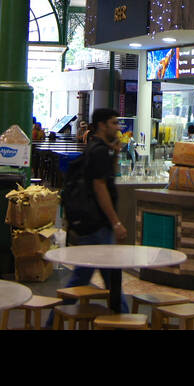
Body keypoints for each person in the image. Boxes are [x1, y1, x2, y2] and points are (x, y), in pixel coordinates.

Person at [62, 108, 129, 311]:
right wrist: (115, 222)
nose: (118, 128)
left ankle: (52, 321)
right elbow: (100, 188)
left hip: (93, 223)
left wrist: (115, 154)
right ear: (102, 125)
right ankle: (125, 319)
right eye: (114, 123)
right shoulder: (99, 151)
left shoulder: (99, 148)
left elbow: (108, 178)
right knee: (109, 276)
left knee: (83, 275)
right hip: (98, 223)